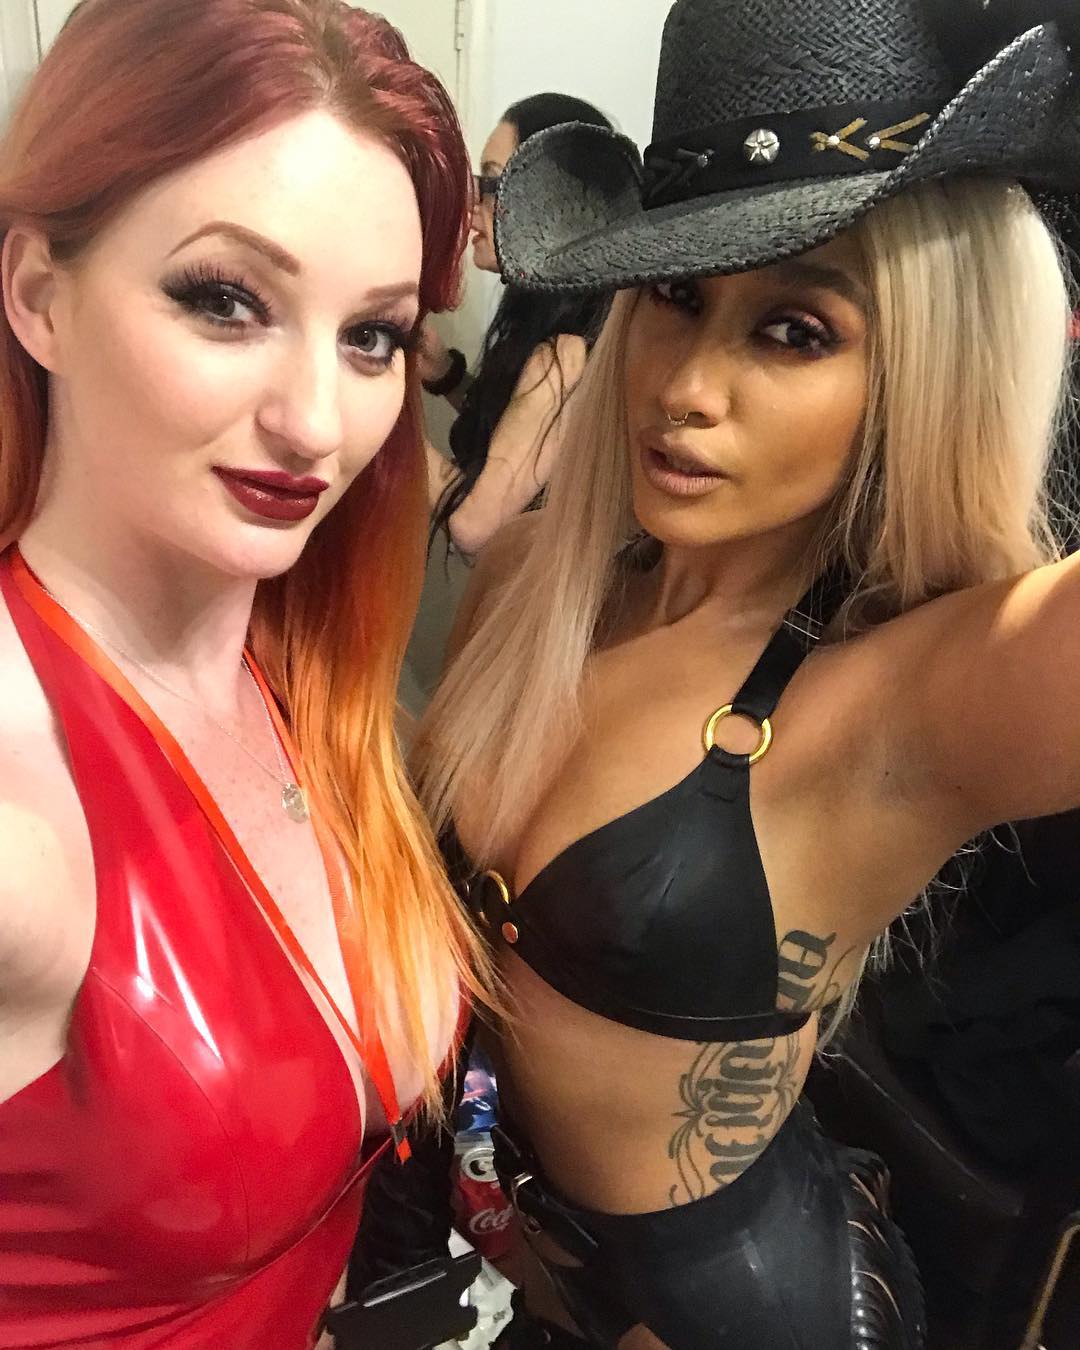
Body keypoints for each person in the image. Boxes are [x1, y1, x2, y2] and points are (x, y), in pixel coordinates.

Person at [406, 0, 1080, 1345]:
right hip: (508, 1261)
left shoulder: (907, 696)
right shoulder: (537, 579)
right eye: (678, 297)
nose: (688, 388)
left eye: (795, 332)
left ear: (923, 364)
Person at [0, 1, 491, 1346]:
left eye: (372, 336)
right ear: (38, 295)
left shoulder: (297, 665)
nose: (316, 422)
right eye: (226, 300)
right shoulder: (21, 822)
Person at [419, 95, 614, 555]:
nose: (472, 207)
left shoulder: (566, 355)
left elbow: (474, 526)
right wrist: (445, 374)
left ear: (552, 200)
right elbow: (516, 434)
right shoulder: (556, 316)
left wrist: (381, 412)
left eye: (492, 182)